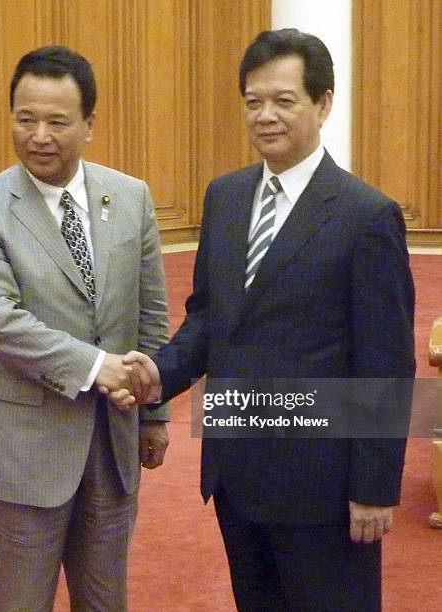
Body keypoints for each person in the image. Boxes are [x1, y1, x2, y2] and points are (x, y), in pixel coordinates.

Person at [112, 29, 416, 611]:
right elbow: (208, 317)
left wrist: (374, 489)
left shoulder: (366, 215)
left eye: (284, 101)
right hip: (237, 469)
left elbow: (387, 362)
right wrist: (157, 371)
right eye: (254, 102)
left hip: (323, 487)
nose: (265, 116)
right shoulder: (225, 196)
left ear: (324, 103)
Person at [0, 45, 169, 611]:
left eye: (57, 121)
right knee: (20, 601)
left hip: (113, 440)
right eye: (25, 120)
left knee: (105, 601)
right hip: (26, 450)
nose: (39, 135)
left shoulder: (130, 196)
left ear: (90, 124)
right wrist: (99, 368)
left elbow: (149, 311)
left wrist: (155, 412)